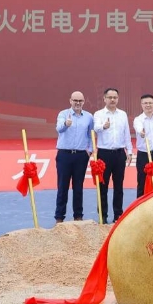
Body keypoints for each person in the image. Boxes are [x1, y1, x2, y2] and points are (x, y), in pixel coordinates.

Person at [93, 88, 133, 223]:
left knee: (118, 186)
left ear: (118, 99)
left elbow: (126, 134)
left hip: (119, 153)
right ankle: (103, 216)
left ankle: (118, 215)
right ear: (104, 99)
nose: (112, 100)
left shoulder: (122, 114)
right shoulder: (99, 114)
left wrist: (130, 151)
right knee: (102, 186)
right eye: (109, 97)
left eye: (115, 97)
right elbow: (95, 128)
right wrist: (104, 126)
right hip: (103, 154)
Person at [54, 91, 93, 224]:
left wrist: (90, 150)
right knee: (62, 186)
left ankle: (78, 216)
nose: (77, 103)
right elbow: (58, 129)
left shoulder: (88, 117)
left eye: (80, 101)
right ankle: (59, 217)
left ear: (83, 102)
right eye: (75, 100)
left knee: (78, 187)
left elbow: (91, 135)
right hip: (64, 155)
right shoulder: (63, 114)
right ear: (70, 101)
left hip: (81, 156)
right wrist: (66, 124)